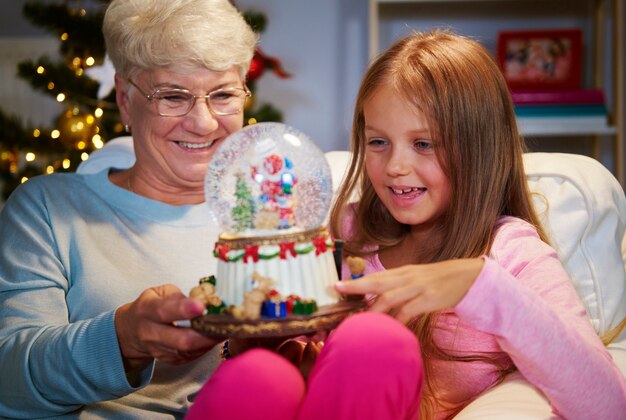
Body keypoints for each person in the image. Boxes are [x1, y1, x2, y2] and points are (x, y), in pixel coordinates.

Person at [187, 30, 626, 419]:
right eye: (378, 141)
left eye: (424, 144)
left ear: (479, 148)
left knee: (374, 340)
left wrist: (480, 286)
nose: (395, 166)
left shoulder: (510, 252)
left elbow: (610, 406)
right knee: (258, 376)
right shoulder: (351, 236)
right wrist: (265, 341)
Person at [0, 0, 257, 417]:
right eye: (173, 96)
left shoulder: (274, 214)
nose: (205, 122)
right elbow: (8, 381)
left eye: (224, 94)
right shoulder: (48, 210)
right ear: (124, 100)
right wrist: (122, 341)